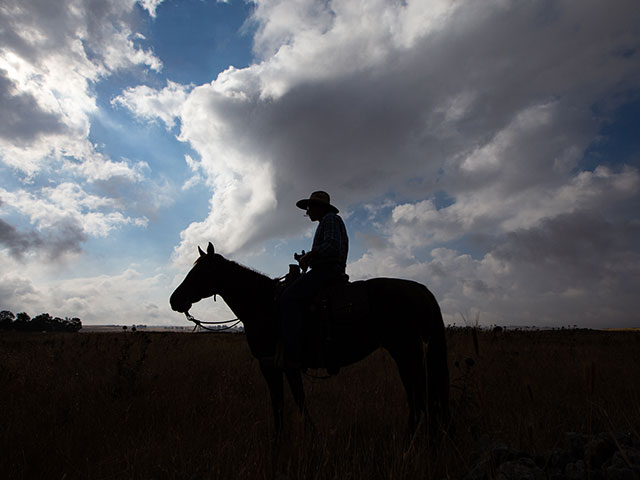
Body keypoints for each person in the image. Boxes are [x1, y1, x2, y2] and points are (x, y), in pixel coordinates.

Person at [279, 191, 349, 369]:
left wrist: (310, 255)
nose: (308, 212)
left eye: (309, 208)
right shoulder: (327, 221)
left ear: (319, 207)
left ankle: (293, 353)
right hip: (327, 269)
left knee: (288, 298)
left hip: (327, 272)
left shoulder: (330, 219)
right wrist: (308, 258)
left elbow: (332, 245)